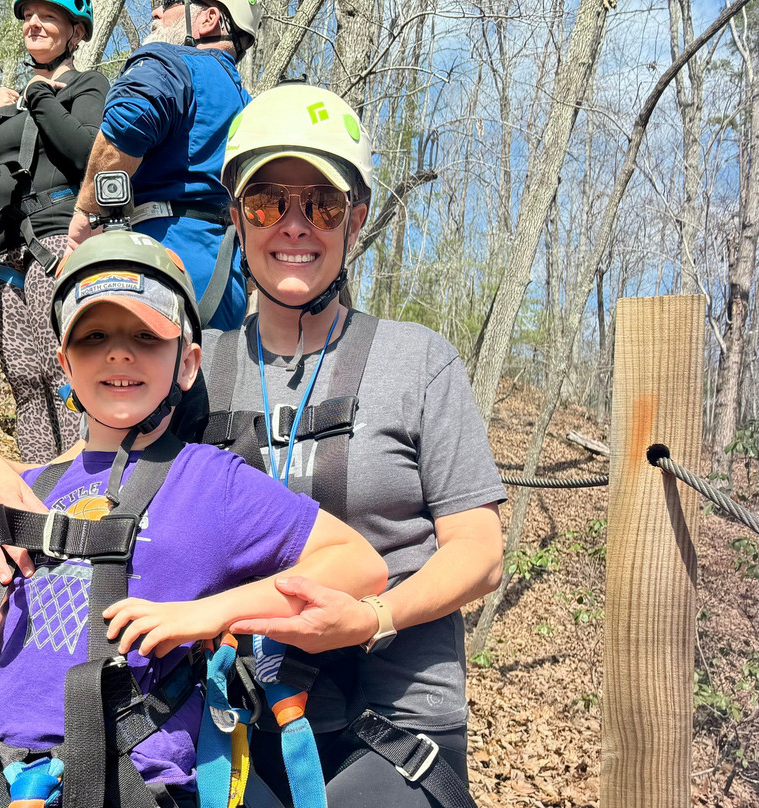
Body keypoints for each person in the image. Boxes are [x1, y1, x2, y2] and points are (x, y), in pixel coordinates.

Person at [0, 230, 388, 807]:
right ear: (64, 363)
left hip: (134, 786)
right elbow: (0, 659)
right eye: (94, 337)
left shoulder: (213, 481)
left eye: (145, 335)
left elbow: (359, 566)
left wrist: (209, 614)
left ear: (187, 364)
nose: (118, 353)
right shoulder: (24, 487)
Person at [190, 83, 506, 808]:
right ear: (238, 217)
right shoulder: (194, 369)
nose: (294, 224)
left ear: (355, 220)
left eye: (322, 204)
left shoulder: (418, 361)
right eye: (268, 201)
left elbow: (480, 552)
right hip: (232, 713)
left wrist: (374, 617)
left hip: (394, 712)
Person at [0, 0, 108, 464]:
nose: (33, 24)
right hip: (5, 253)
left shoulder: (86, 85)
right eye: (28, 17)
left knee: (64, 372)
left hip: (58, 240)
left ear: (75, 33)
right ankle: (40, 488)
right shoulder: (8, 104)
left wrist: (41, 95)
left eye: (48, 17)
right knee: (24, 379)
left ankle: (81, 485)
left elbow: (86, 152)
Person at [65, 0, 260, 332]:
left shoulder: (170, 65)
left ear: (209, 19)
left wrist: (82, 224)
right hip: (227, 281)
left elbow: (127, 125)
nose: (155, 13)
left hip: (155, 264)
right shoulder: (251, 106)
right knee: (209, 380)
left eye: (171, 4)